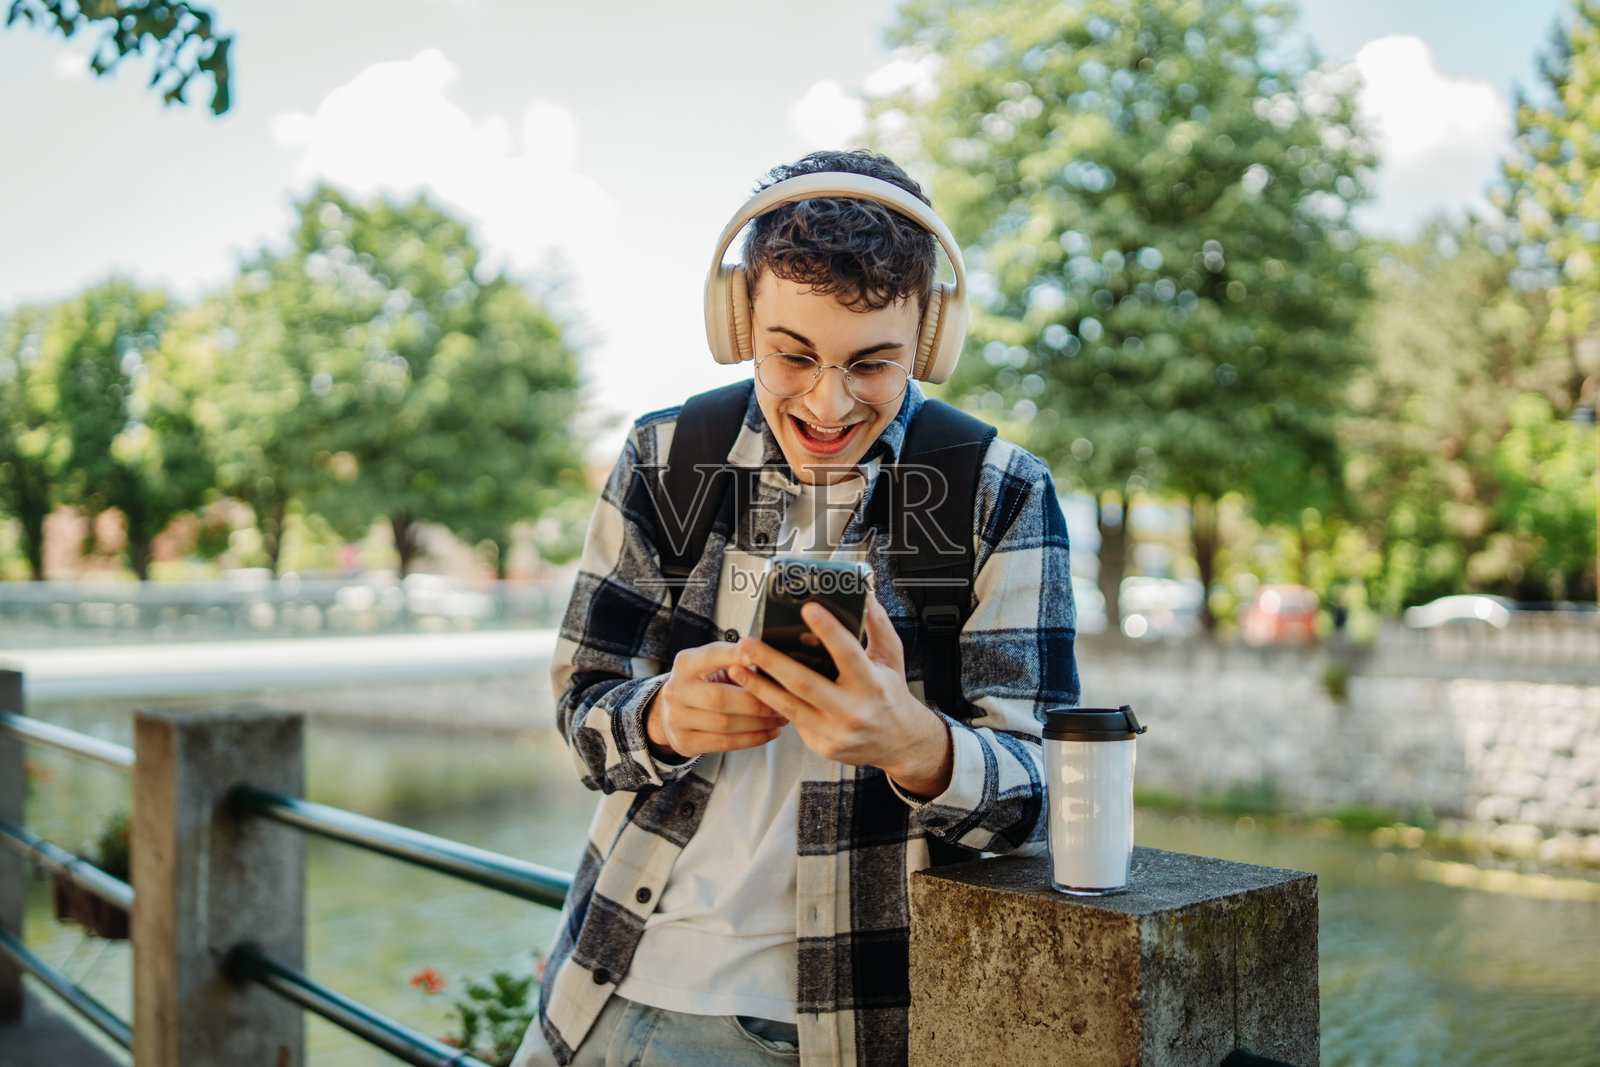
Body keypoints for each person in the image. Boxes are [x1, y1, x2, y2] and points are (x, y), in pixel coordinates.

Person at [514, 149, 1078, 1067]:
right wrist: (662, 713)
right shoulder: (666, 457)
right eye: (792, 354)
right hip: (605, 990)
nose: (827, 400)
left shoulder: (996, 493)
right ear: (739, 319)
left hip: (847, 1027)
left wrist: (915, 744)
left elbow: (1044, 799)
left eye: (874, 363)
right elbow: (582, 716)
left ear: (930, 337)